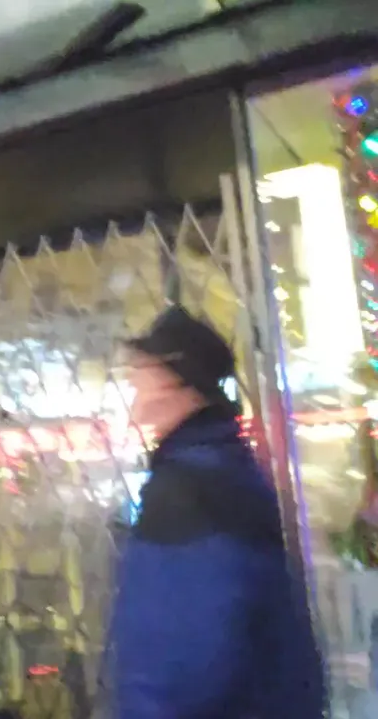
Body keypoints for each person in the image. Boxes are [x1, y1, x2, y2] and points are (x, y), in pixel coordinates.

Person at [109, 306, 324, 717]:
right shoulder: (224, 467)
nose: (134, 387)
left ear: (174, 380)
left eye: (142, 371)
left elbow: (179, 665)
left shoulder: (187, 492)